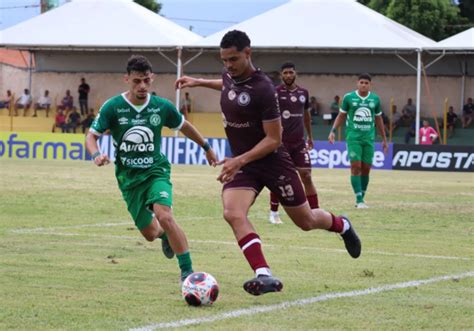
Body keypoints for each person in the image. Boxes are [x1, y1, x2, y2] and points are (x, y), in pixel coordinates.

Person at [176, 30, 361, 297]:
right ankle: (263, 274)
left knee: (306, 220)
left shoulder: (263, 89)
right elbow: (226, 83)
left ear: (248, 53)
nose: (228, 65)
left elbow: (274, 140)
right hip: (245, 166)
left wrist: (238, 159)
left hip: (273, 162)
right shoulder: (230, 75)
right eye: (224, 60)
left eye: (233, 59)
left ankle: (342, 225)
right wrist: (198, 81)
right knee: (232, 213)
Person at [86, 55, 217, 284]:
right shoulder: (113, 107)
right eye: (137, 81)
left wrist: (206, 147)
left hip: (156, 171)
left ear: (152, 78)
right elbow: (91, 136)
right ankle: (164, 235)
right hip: (129, 179)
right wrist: (96, 154)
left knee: (164, 215)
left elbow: (184, 126)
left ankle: (187, 273)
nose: (142, 86)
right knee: (150, 234)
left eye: (146, 80)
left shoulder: (161, 106)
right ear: (126, 79)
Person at [268, 62, 318, 225]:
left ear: (295, 73)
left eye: (291, 72)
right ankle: (274, 213)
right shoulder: (275, 92)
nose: (288, 75)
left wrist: (310, 136)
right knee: (279, 178)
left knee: (307, 176)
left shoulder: (304, 93)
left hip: (299, 143)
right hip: (280, 143)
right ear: (281, 75)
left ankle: (315, 211)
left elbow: (306, 116)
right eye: (285, 73)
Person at [329, 73, 388, 209]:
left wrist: (384, 139)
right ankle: (359, 199)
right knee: (356, 166)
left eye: (366, 83)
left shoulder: (375, 99)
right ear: (357, 83)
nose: (363, 85)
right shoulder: (349, 97)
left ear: (370, 85)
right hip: (353, 137)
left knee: (366, 168)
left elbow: (379, 119)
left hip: (369, 139)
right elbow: (341, 115)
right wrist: (332, 131)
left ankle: (362, 197)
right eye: (361, 82)